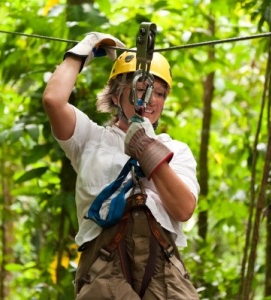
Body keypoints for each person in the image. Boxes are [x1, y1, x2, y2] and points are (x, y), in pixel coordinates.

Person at [42, 32, 200, 300]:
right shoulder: (89, 139)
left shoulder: (176, 151)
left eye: (159, 93)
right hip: (104, 268)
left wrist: (147, 149)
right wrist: (86, 48)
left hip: (163, 270)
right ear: (116, 97)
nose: (150, 99)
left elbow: (184, 208)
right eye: (141, 88)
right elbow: (53, 101)